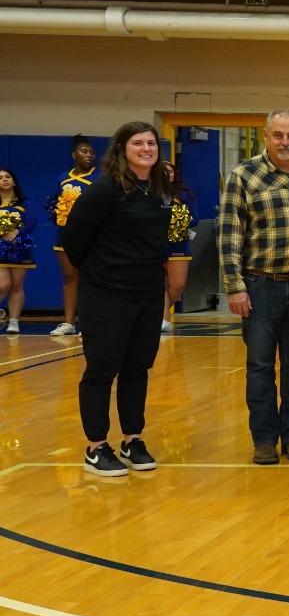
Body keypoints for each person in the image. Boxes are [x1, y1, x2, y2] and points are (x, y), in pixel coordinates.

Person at [59, 122, 174, 477]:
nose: (146, 148)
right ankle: (96, 446)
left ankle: (132, 439)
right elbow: (75, 241)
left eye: (151, 142)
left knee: (137, 368)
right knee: (102, 369)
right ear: (122, 148)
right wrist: (105, 272)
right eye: (137, 143)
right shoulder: (104, 189)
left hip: (148, 293)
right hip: (106, 295)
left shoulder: (159, 188)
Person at [218, 110, 289, 465]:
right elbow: (229, 236)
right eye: (278, 135)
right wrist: (235, 287)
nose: (285, 142)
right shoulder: (243, 176)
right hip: (259, 285)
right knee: (260, 365)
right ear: (265, 136)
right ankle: (264, 439)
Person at [50, 135, 98, 336]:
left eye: (91, 153)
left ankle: (90, 324)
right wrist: (56, 213)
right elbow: (54, 202)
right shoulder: (63, 177)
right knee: (70, 277)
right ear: (74, 154)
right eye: (84, 152)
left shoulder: (100, 177)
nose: (89, 156)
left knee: (90, 278)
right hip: (64, 234)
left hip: (91, 236)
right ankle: (68, 323)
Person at [161, 161, 195, 334]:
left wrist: (179, 222)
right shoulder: (150, 192)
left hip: (179, 243)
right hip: (156, 243)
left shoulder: (184, 194)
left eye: (171, 171)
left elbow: (195, 219)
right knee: (159, 283)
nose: (168, 174)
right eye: (164, 171)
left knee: (177, 284)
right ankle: (164, 318)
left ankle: (159, 311)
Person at [0, 168, 35, 333]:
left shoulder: (25, 202)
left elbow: (32, 223)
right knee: (2, 284)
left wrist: (17, 232)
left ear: (14, 181)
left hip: (18, 245)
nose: (4, 180)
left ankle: (14, 321)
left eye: (8, 177)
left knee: (16, 286)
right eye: (0, 178)